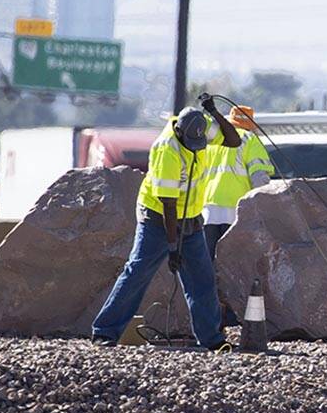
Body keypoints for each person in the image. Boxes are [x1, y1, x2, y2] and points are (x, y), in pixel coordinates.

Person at [91, 98, 241, 349]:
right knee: (138, 273)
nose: (196, 147)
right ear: (179, 132)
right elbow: (168, 205)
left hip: (192, 217)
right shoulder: (167, 151)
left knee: (202, 280)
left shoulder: (201, 125)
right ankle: (104, 332)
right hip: (158, 220)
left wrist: (214, 112)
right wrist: (173, 247)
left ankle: (212, 340)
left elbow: (234, 140)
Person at [201, 105, 275, 258]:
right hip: (236, 209)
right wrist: (262, 209)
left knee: (207, 261)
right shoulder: (249, 139)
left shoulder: (215, 141)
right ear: (251, 124)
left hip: (208, 209)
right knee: (233, 262)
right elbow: (259, 178)